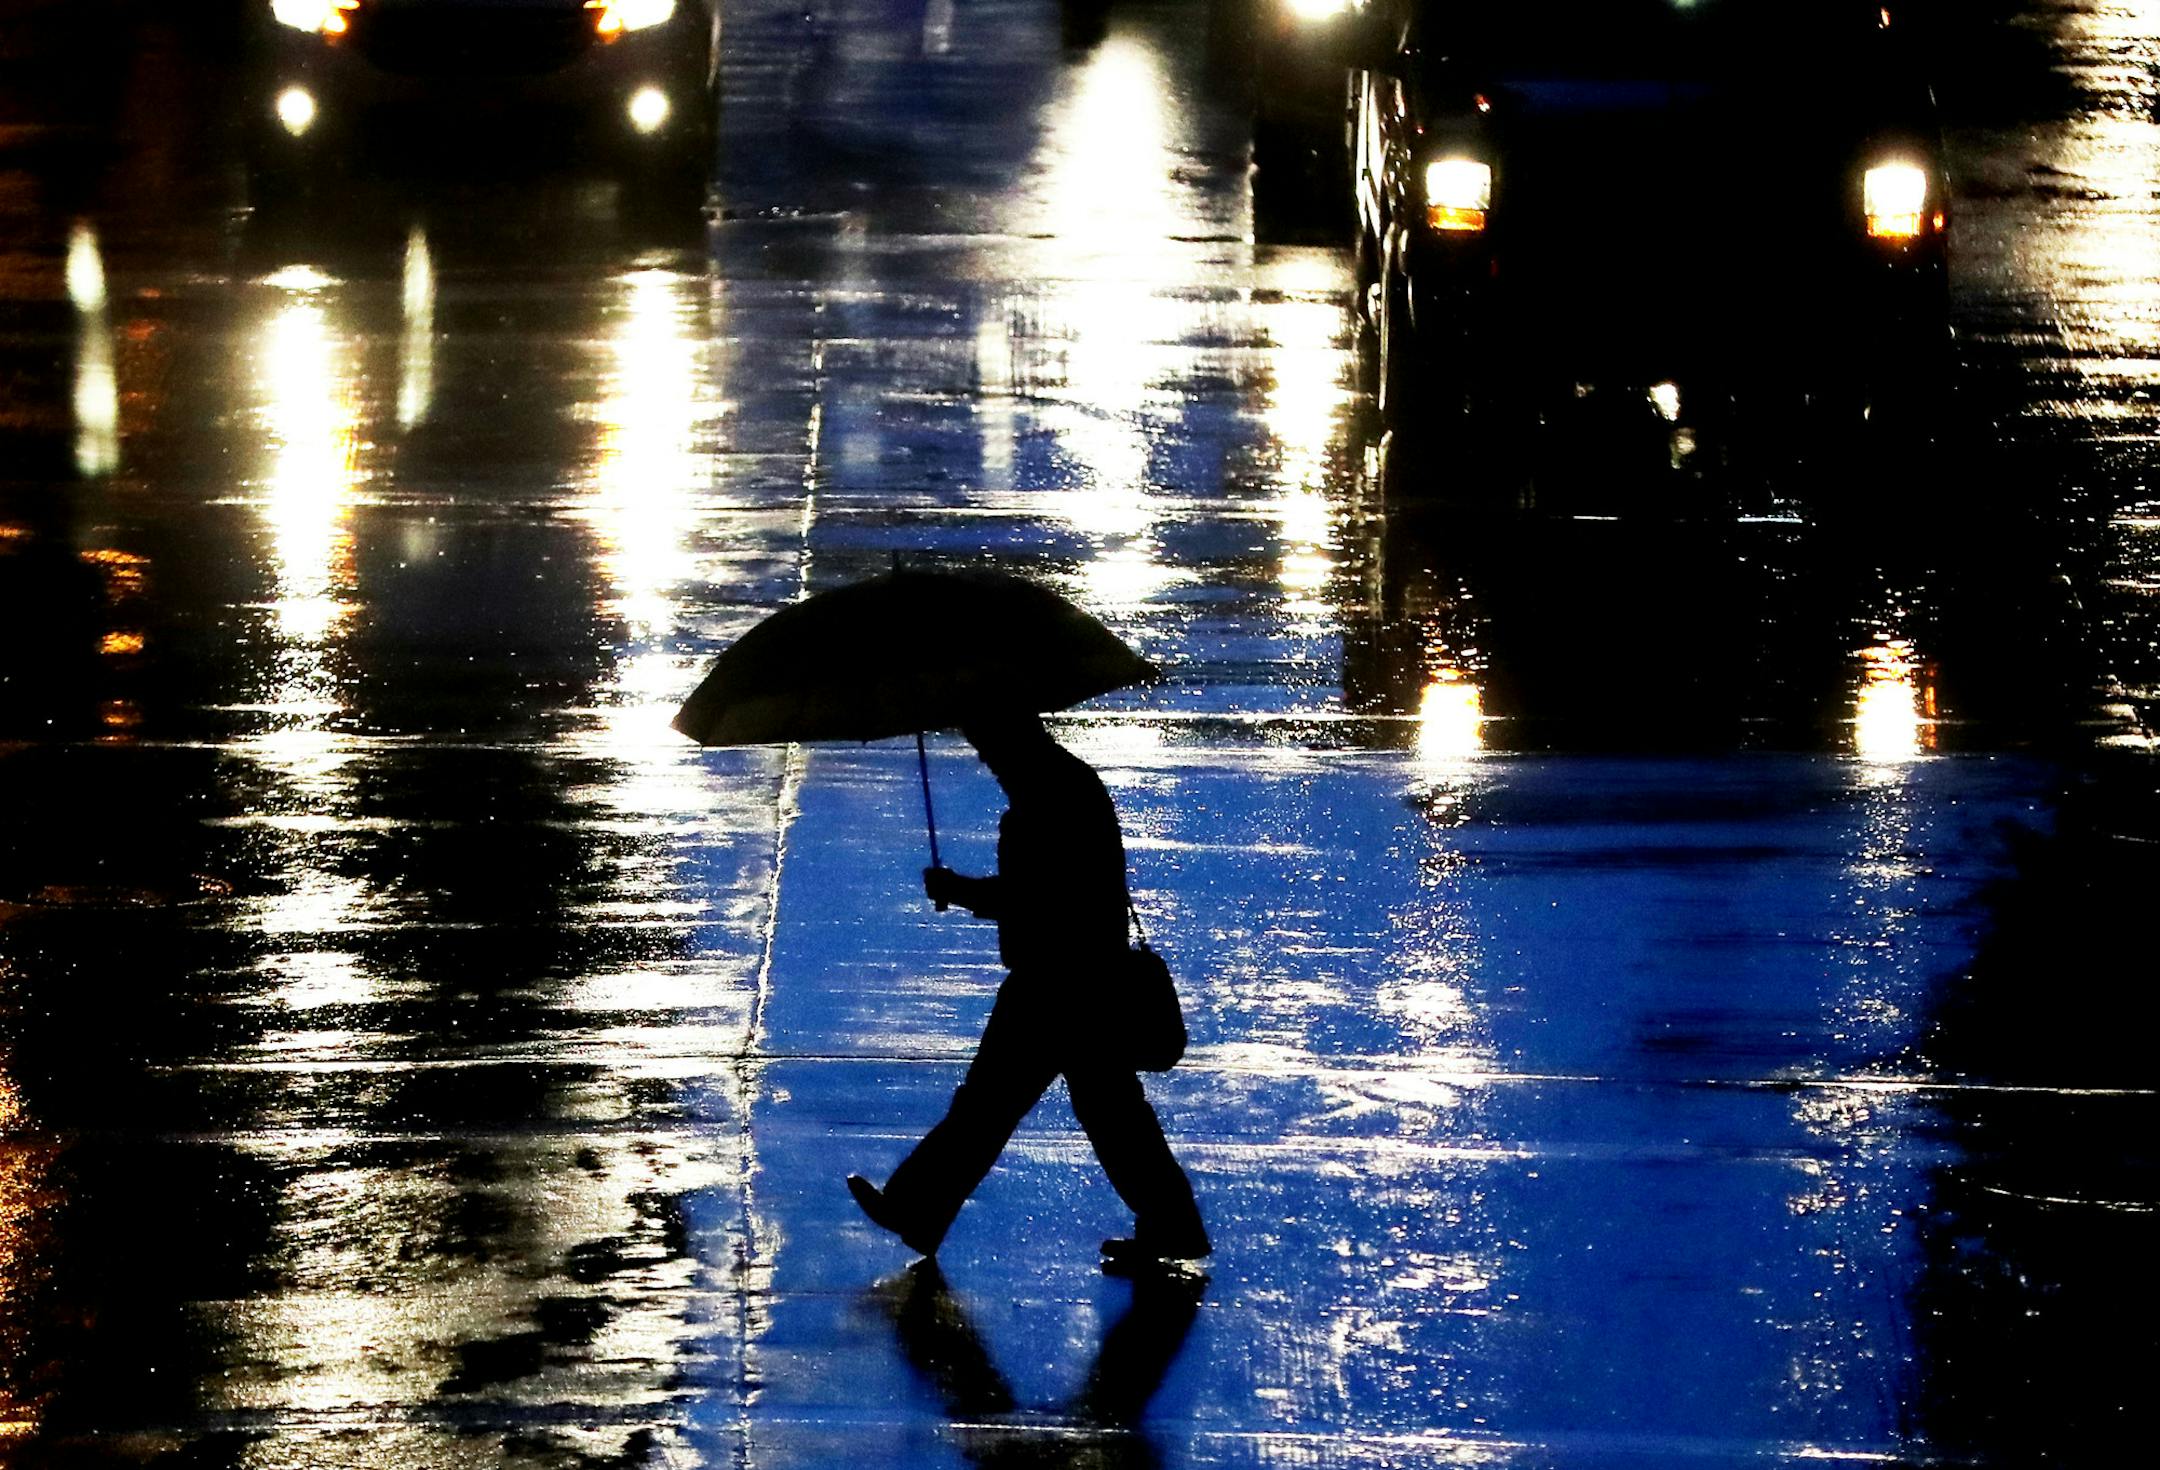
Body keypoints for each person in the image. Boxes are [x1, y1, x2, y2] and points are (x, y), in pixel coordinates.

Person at [847, 711, 1210, 1272]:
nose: (984, 760)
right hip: (1085, 976)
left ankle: (916, 1207)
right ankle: (1173, 1224)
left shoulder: (1045, 800)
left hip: (1056, 984)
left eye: (986, 746)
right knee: (1106, 1112)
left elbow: (1034, 898)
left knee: (994, 1105)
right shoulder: (1064, 784)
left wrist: (957, 889)